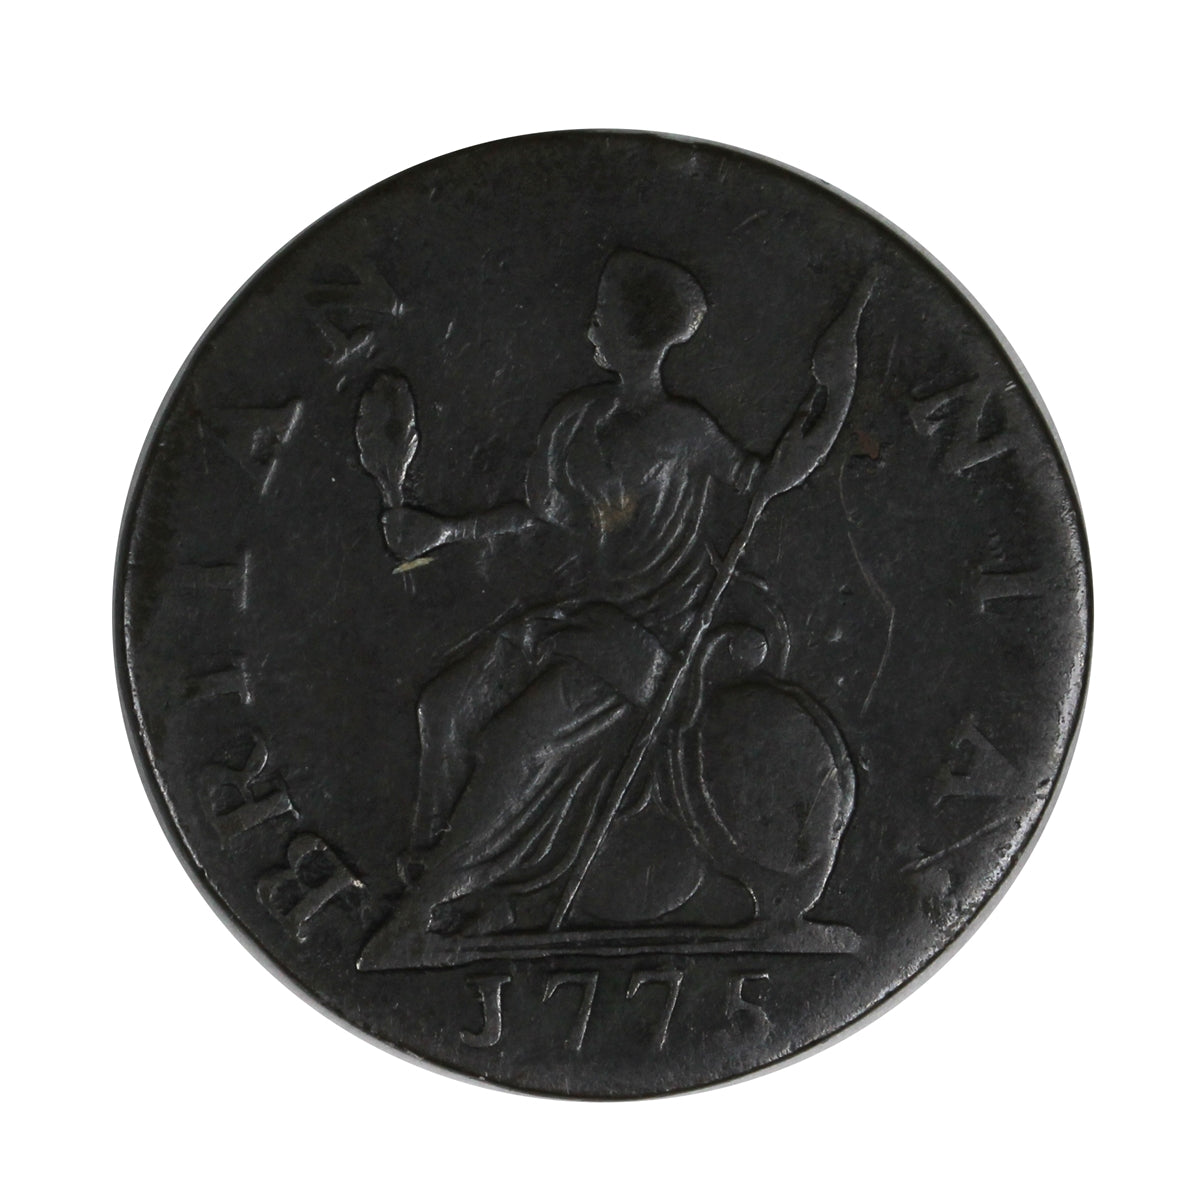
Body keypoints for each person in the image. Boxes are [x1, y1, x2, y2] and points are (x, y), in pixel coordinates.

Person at [359, 249, 850, 937]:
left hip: (655, 636)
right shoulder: (574, 420)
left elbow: (765, 480)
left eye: (602, 317)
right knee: (442, 707)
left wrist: (836, 396)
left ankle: (430, 902)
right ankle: (441, 875)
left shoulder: (686, 431)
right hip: (580, 620)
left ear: (637, 335)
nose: (589, 327)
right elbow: (543, 517)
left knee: (513, 745)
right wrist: (448, 531)